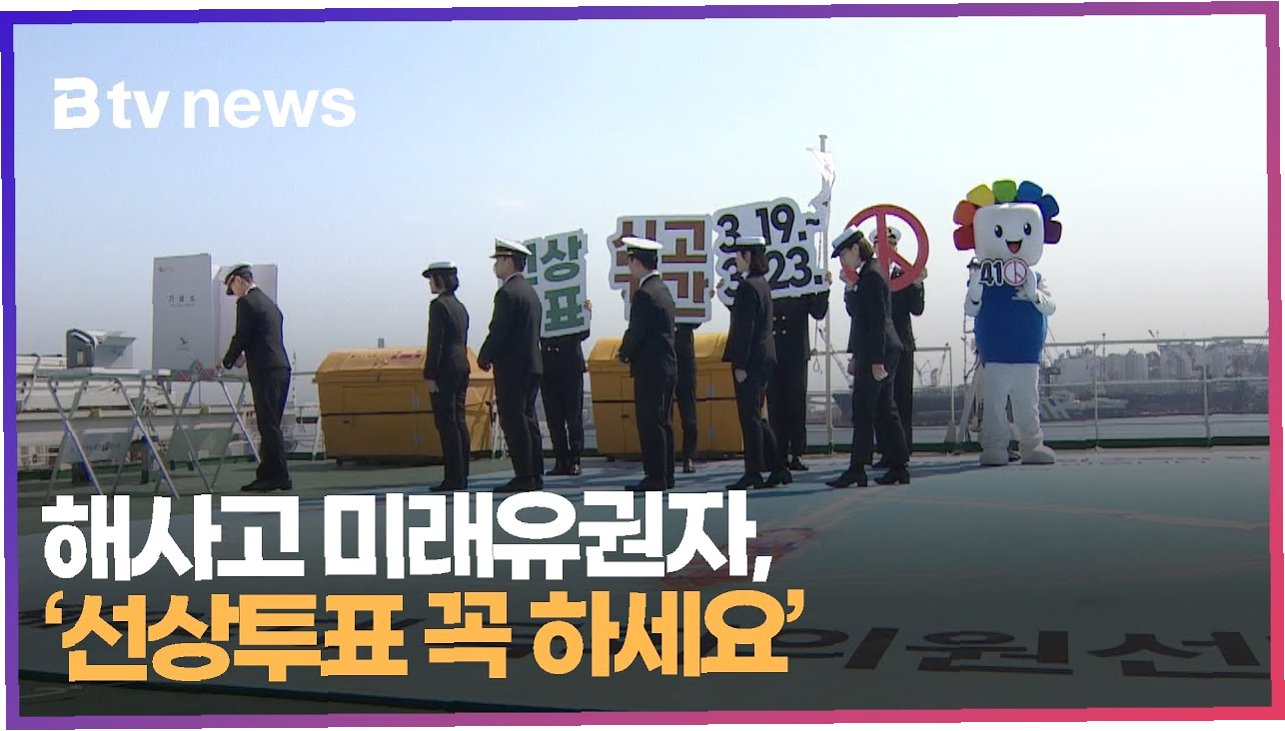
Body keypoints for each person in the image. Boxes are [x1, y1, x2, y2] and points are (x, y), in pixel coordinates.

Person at [826, 227, 910, 488]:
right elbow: (860, 316)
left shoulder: (871, 276)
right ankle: (898, 466)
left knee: (863, 411)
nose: (843, 261)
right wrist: (851, 289)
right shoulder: (871, 274)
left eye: (843, 254)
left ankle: (858, 468)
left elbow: (875, 321)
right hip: (881, 349)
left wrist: (875, 361)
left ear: (855, 249)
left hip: (878, 350)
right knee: (885, 409)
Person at [722, 236, 790, 490]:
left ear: (748, 256)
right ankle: (778, 467)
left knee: (749, 417)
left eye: (738, 255)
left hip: (751, 360)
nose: (736, 261)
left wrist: (739, 364)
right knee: (757, 416)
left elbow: (745, 329)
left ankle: (753, 472)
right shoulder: (762, 284)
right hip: (764, 356)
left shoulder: (748, 287)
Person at [477, 239, 544, 492]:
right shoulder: (530, 293)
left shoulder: (506, 293)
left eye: (498, 260)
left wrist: (484, 356)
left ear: (508, 261)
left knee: (514, 421)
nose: (495, 266)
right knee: (528, 419)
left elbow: (499, 330)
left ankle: (524, 475)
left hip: (513, 368)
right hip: (532, 364)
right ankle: (535, 473)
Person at [220, 264, 293, 492]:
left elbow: (241, 335)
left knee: (267, 424)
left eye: (232, 288)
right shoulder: (270, 304)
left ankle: (279, 476)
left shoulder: (247, 303)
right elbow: (263, 336)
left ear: (238, 280)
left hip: (265, 370)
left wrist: (227, 361)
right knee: (272, 424)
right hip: (281, 367)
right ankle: (268, 474)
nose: (234, 294)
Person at [618, 237, 677, 491]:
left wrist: (623, 354)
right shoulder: (663, 290)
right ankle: (666, 474)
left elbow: (637, 331)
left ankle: (655, 476)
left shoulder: (644, 294)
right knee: (664, 421)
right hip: (667, 365)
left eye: (630, 260)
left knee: (650, 422)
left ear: (637, 261)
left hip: (650, 368)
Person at [874, 226, 925, 466]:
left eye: (890, 244)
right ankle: (885, 451)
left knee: (902, 399)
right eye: (881, 244)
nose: (886, 249)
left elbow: (917, 309)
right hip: (878, 347)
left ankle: (903, 450)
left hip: (903, 345)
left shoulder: (905, 275)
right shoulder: (869, 275)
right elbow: (854, 311)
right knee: (880, 402)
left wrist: (916, 284)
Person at [422, 260, 471, 492]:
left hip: (445, 370)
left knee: (446, 423)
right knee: (459, 421)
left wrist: (429, 374)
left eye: (432, 279)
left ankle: (453, 477)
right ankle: (462, 474)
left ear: (439, 279)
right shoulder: (460, 307)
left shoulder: (438, 306)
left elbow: (436, 343)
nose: (430, 284)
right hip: (462, 366)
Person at [767, 292, 828, 472]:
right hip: (773, 350)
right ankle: (779, 453)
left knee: (797, 404)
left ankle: (796, 453)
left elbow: (818, 312)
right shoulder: (768, 284)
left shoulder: (802, 287)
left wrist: (824, 289)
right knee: (775, 405)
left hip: (796, 351)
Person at [541, 314, 591, 477]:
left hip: (571, 365)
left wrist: (586, 314)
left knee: (574, 416)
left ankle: (575, 460)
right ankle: (561, 460)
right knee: (554, 418)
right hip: (548, 365)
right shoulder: (542, 305)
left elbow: (584, 332)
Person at [674, 322, 699, 474]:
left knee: (689, 415)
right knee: (661, 415)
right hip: (663, 357)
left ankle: (689, 457)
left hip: (685, 362)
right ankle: (664, 458)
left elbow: (697, 319)